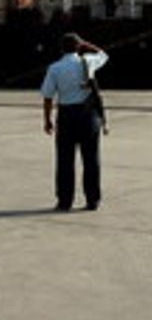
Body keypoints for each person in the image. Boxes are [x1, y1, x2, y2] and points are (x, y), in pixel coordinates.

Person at [41, 33, 108, 211]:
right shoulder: (88, 62)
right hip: (88, 115)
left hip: (66, 116)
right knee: (91, 159)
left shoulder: (54, 68)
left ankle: (65, 201)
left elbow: (48, 96)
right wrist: (86, 44)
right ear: (79, 47)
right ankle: (92, 200)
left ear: (61, 49)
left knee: (64, 160)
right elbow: (104, 55)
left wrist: (47, 120)